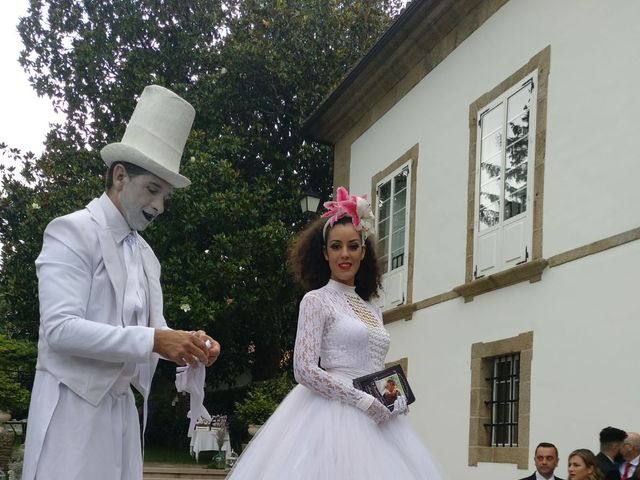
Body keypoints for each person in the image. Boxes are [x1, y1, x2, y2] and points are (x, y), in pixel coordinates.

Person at [21, 85, 221, 480]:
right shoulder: (71, 231)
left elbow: (157, 330)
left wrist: (190, 344)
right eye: (152, 189)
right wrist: (154, 340)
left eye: (164, 195)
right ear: (119, 176)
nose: (159, 206)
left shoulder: (146, 256)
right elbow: (59, 330)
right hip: (70, 411)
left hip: (120, 413)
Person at [225, 187, 444, 479]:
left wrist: (394, 398)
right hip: (331, 415)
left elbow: (374, 366)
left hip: (379, 418)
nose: (345, 254)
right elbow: (304, 370)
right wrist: (361, 400)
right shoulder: (316, 300)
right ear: (324, 253)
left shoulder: (373, 309)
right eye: (336, 246)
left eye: (353, 246)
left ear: (363, 252)